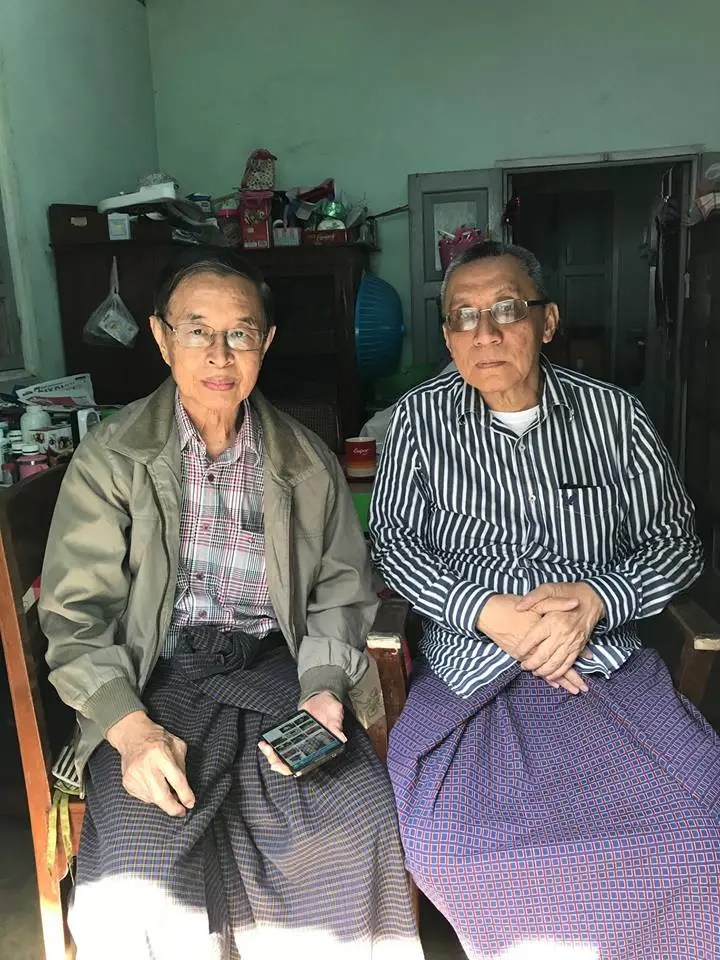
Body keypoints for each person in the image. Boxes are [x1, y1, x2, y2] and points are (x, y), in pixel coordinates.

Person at [39, 248, 423, 960]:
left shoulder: (306, 462)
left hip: (276, 674)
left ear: (265, 343)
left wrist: (323, 690)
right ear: (161, 338)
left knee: (352, 819)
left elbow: (341, 589)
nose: (219, 355)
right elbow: (74, 615)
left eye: (240, 333)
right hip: (151, 682)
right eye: (196, 331)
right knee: (138, 869)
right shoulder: (112, 459)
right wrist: (129, 731)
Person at [370, 241, 720, 959]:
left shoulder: (616, 417)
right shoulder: (415, 423)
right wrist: (485, 611)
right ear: (446, 336)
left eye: (506, 309)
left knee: (696, 827)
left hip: (605, 668)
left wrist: (599, 598)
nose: (484, 333)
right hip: (472, 672)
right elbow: (394, 547)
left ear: (547, 320)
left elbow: (678, 544)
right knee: (454, 844)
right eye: (462, 316)